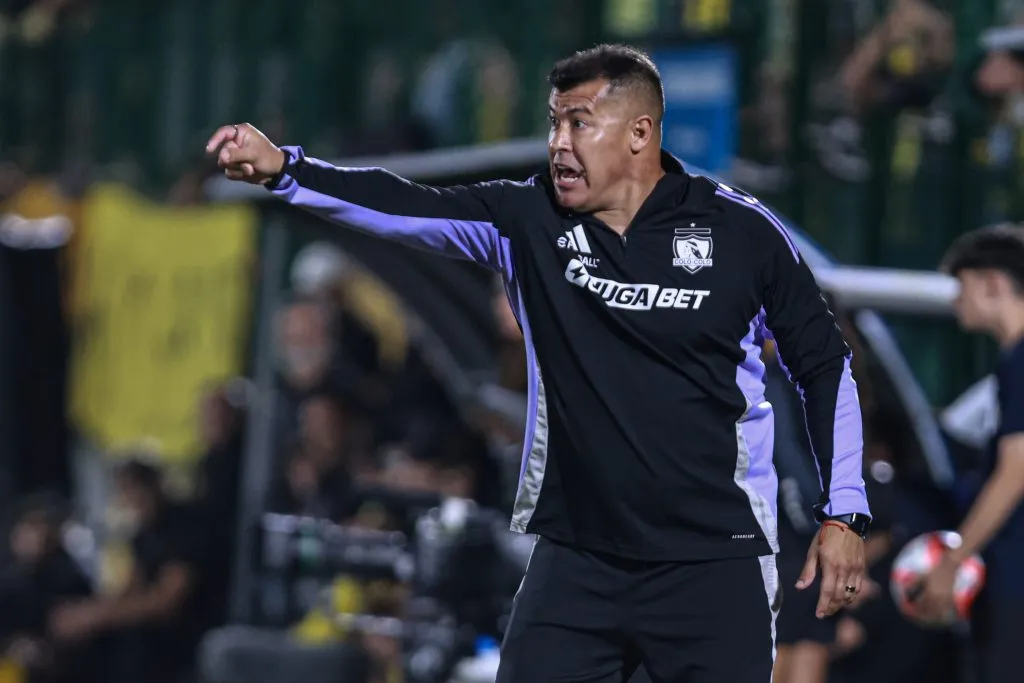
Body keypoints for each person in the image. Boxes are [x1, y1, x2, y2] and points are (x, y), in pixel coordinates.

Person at [206, 43, 871, 683]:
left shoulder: (743, 235)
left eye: (579, 124)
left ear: (640, 133)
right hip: (581, 559)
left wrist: (844, 512)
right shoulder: (530, 220)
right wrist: (287, 170)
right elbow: (403, 205)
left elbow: (825, 364)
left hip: (713, 558)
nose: (559, 142)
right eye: (554, 122)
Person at [916, 224, 1024, 683]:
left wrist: (954, 561)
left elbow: (1015, 471)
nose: (956, 301)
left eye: (961, 288)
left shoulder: (1020, 363)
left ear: (994, 285)